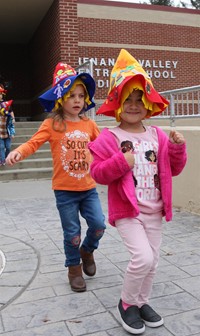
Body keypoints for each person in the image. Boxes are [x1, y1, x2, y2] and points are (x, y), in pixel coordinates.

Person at [88, 49, 187, 334]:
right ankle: (127, 303)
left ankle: (142, 301)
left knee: (152, 261)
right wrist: (121, 162)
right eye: (127, 99)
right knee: (142, 257)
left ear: (148, 103)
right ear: (117, 103)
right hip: (129, 212)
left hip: (155, 210)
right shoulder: (110, 137)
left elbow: (174, 170)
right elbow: (97, 174)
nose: (133, 105)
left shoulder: (157, 135)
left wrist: (178, 148)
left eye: (139, 99)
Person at [6, 62, 106, 292]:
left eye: (81, 95)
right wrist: (18, 151)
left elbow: (104, 146)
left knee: (99, 225)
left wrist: (121, 153)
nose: (78, 100)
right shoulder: (52, 123)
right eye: (72, 95)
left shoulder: (90, 124)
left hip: (89, 188)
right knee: (72, 233)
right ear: (61, 98)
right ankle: (74, 268)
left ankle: (87, 251)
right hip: (65, 191)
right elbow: (33, 143)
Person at [0, 84, 15, 166]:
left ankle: (5, 158)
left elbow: (11, 111)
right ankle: (2, 160)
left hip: (7, 131)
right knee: (1, 147)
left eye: (0, 94)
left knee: (8, 147)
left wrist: (13, 118)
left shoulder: (6, 104)